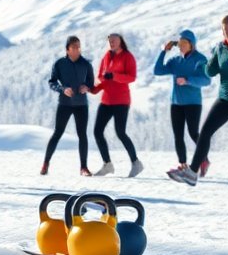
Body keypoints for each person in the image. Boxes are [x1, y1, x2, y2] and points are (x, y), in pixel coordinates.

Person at [169, 15, 228, 187]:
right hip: (224, 99)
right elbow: (211, 72)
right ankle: (192, 173)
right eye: (223, 29)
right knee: (205, 132)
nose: (225, 32)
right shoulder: (222, 47)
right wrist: (210, 60)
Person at [154, 29, 210, 168]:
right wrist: (163, 52)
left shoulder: (200, 59)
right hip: (176, 103)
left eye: (184, 43)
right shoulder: (175, 60)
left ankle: (204, 159)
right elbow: (157, 70)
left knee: (193, 133)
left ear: (192, 44)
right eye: (179, 43)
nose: (181, 45)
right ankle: (183, 164)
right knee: (178, 135)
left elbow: (206, 80)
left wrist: (187, 80)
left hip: (193, 103)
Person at [42, 36, 98, 176]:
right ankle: (46, 163)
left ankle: (83, 168)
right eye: (74, 47)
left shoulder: (86, 64)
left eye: (79, 47)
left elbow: (91, 84)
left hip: (81, 105)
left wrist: (87, 87)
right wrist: (63, 89)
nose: (77, 49)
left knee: (82, 135)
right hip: (65, 104)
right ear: (67, 49)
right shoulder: (59, 63)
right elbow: (52, 82)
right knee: (57, 133)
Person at [94, 33, 143, 177]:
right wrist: (92, 89)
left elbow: (131, 77)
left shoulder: (128, 57)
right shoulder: (107, 56)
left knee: (120, 132)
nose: (111, 43)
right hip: (106, 100)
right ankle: (107, 164)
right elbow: (101, 76)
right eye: (109, 41)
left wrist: (114, 76)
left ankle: (136, 163)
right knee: (97, 131)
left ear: (121, 41)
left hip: (121, 101)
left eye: (114, 41)